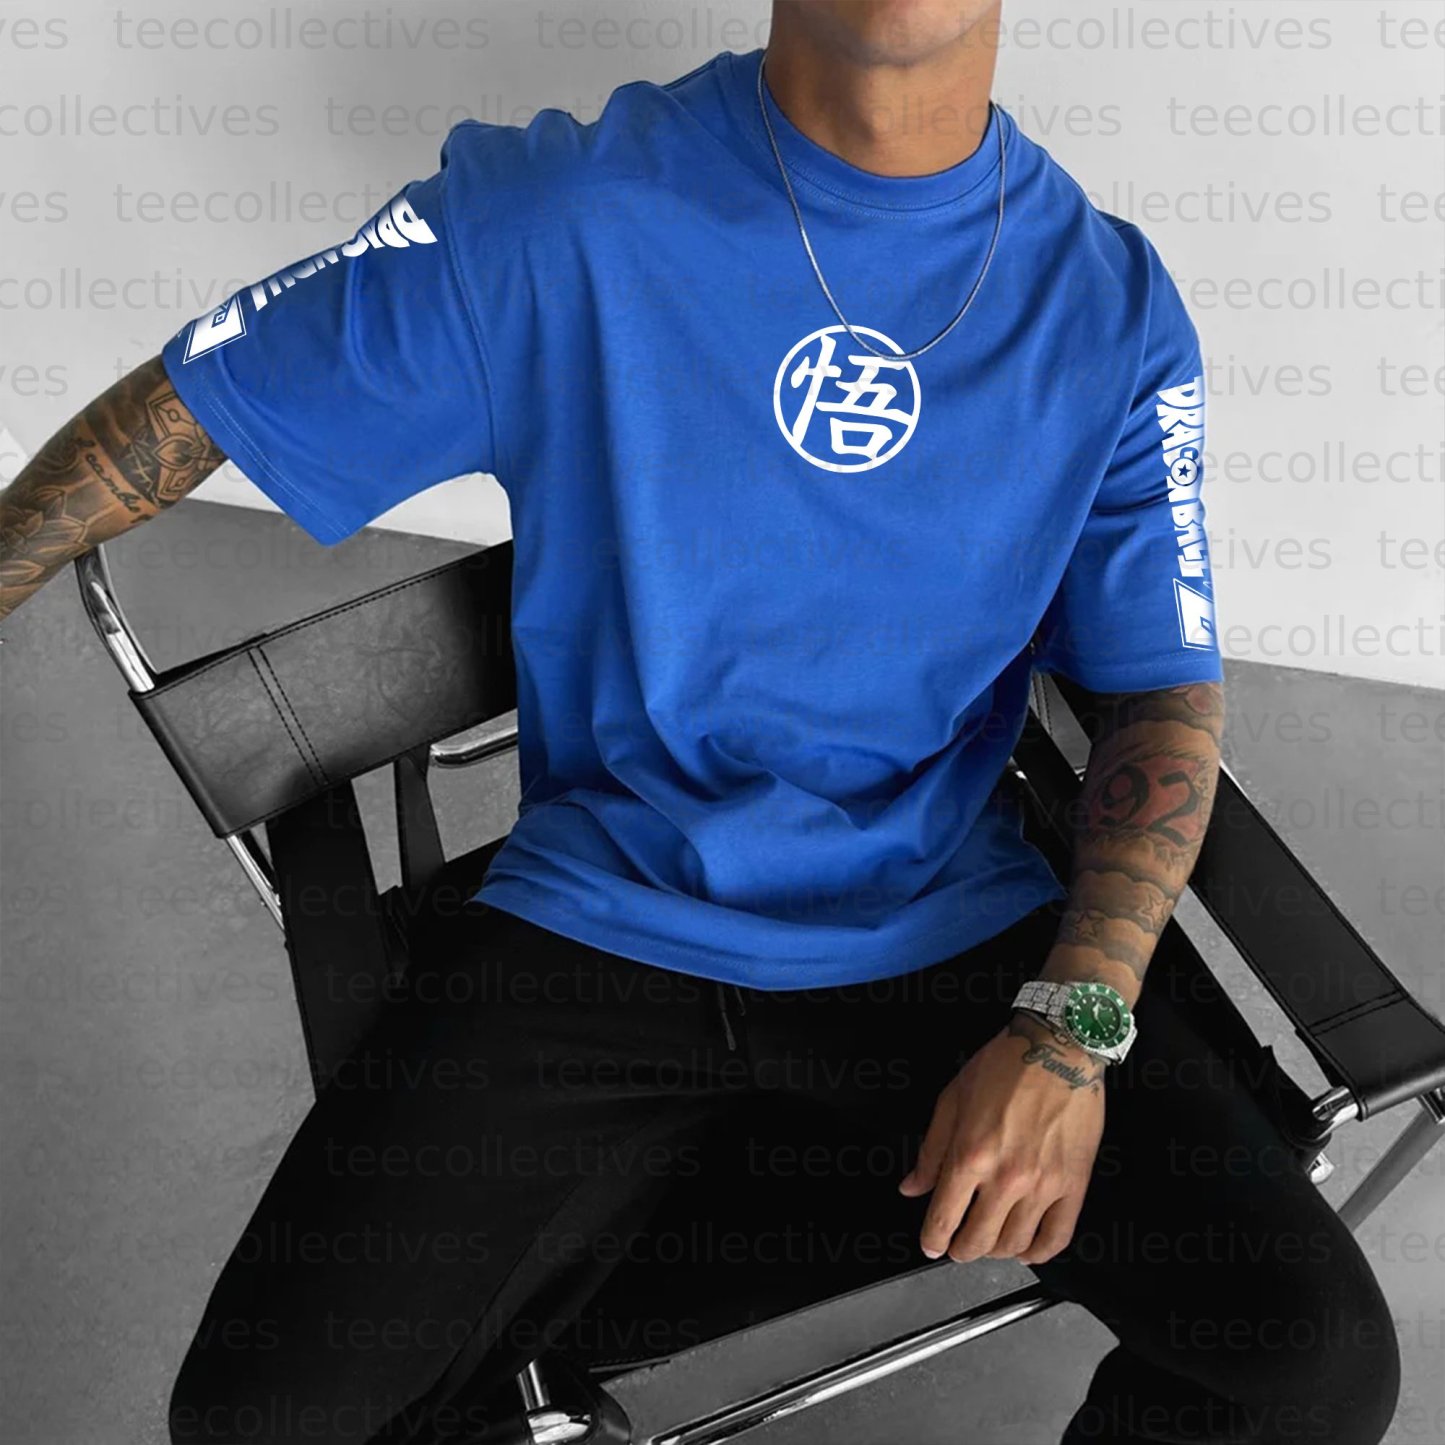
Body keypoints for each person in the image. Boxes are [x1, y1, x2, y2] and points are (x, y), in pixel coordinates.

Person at [0, 4, 1401, 1442]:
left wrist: (1068, 1034)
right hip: (599, 922)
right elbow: (189, 408)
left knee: (1308, 1364)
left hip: (947, 933)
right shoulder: (567, 215)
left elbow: (1160, 700)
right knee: (260, 1422)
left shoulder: (1106, 305)